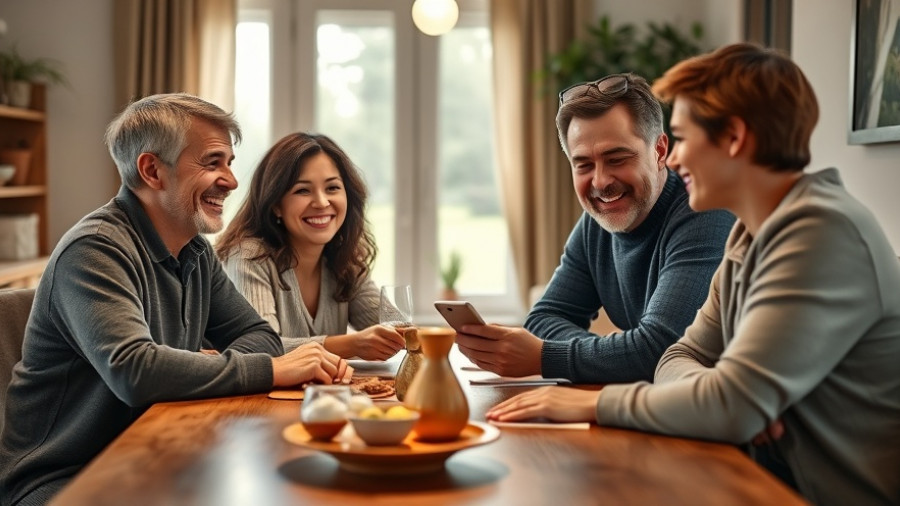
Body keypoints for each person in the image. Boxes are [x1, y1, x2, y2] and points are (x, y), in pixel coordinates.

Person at [486, 43, 900, 506]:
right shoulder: (750, 235)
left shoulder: (821, 232)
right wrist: (718, 397)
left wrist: (593, 402)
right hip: (761, 480)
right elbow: (679, 356)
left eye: (681, 137)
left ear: (734, 138)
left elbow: (729, 404)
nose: (676, 159)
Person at [0, 94, 352, 505]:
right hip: (65, 479)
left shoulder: (195, 251)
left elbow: (259, 335)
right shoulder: (94, 250)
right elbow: (136, 372)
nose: (232, 181)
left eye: (230, 163)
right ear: (152, 170)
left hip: (150, 453)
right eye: (212, 162)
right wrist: (269, 371)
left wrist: (194, 365)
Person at [456, 73, 734, 383]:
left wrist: (545, 356)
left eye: (616, 158)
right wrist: (617, 355)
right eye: (584, 165)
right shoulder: (597, 222)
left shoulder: (706, 212)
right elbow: (543, 319)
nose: (600, 182)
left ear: (659, 151)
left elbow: (661, 350)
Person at [216, 132, 405, 360]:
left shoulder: (344, 258)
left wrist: (452, 332)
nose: (322, 202)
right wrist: (351, 345)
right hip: (257, 396)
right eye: (302, 190)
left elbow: (395, 327)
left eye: (332, 188)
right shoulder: (248, 256)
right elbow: (260, 348)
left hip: (326, 395)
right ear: (276, 204)